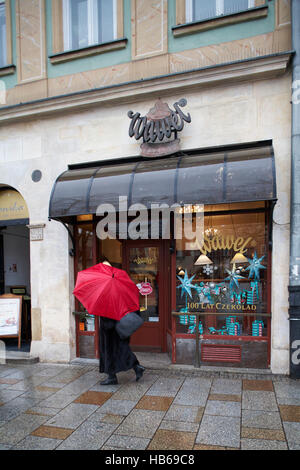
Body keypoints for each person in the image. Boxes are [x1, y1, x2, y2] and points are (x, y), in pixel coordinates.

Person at [98, 257, 145, 385]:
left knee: (110, 351)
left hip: (110, 326)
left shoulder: (106, 288)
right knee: (121, 349)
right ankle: (136, 367)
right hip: (120, 325)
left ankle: (112, 377)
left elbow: (107, 308)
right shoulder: (120, 285)